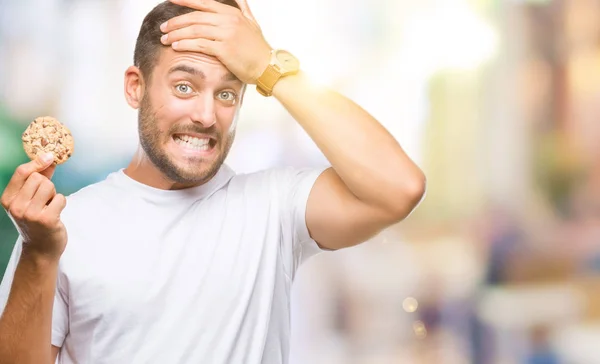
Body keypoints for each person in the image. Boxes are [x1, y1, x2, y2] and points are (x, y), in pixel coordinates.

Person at [0, 0, 426, 363]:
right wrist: (39, 256)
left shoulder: (274, 208)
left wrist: (269, 66)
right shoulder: (61, 227)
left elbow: (399, 188)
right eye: (185, 86)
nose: (207, 116)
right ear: (136, 87)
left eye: (226, 94)